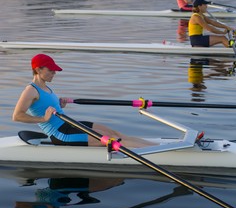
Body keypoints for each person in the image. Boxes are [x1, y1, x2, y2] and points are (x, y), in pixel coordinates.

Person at [12, 54, 156, 147]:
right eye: (51, 70)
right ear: (38, 70)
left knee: (113, 132)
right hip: (60, 134)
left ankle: (155, 146)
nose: (54, 73)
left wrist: (59, 105)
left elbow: (47, 107)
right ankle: (159, 152)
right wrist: (43, 118)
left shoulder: (46, 87)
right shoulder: (30, 90)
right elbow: (17, 116)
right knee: (111, 139)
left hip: (68, 123)